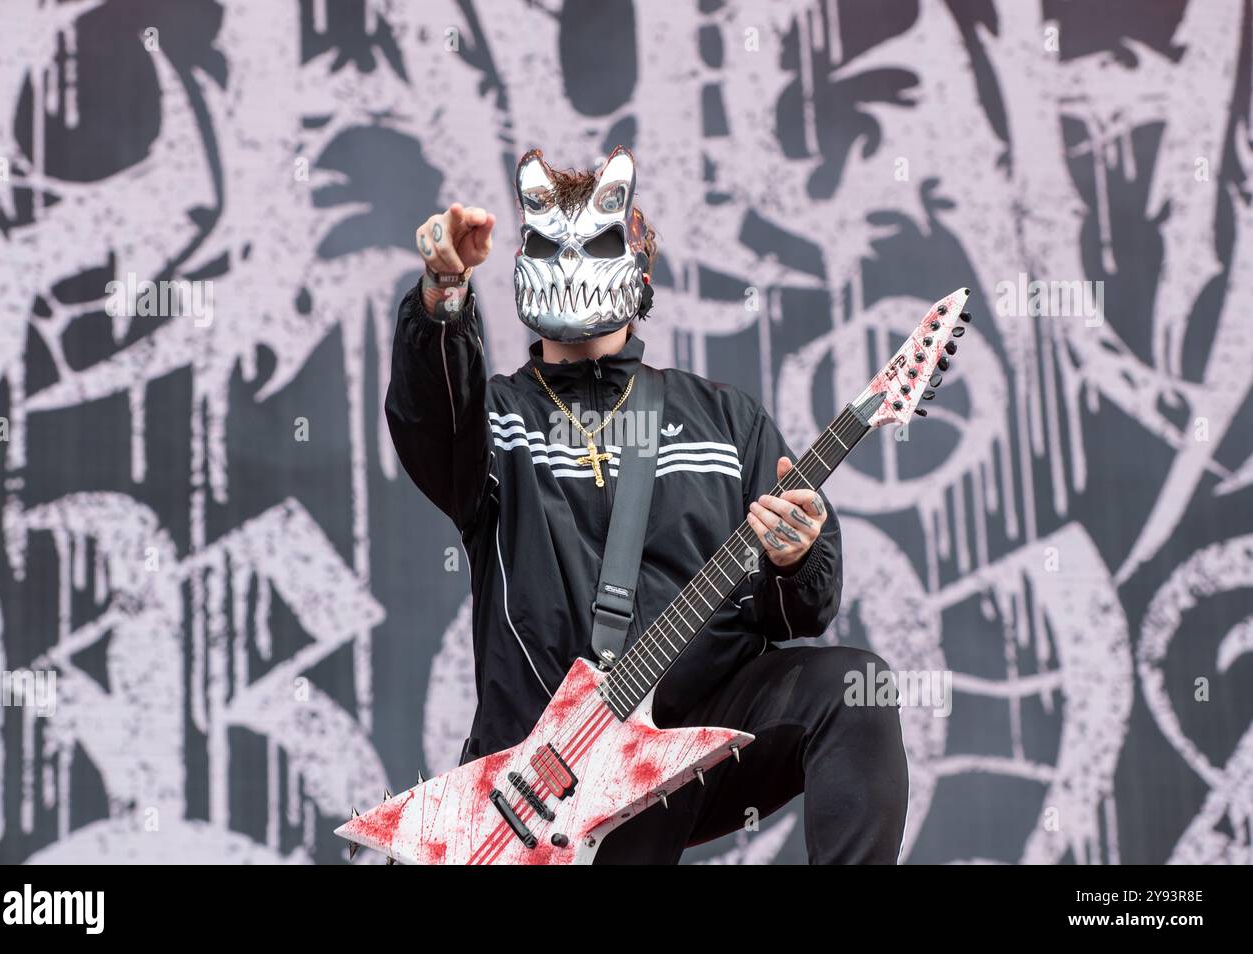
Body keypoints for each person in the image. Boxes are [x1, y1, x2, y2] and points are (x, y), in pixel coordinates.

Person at [385, 145, 908, 864]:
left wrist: (796, 557)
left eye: (592, 245)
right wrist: (442, 292)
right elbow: (428, 422)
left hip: (691, 746)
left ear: (640, 269)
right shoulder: (495, 421)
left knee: (857, 688)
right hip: (546, 782)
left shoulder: (725, 422)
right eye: (549, 246)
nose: (569, 265)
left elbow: (801, 614)